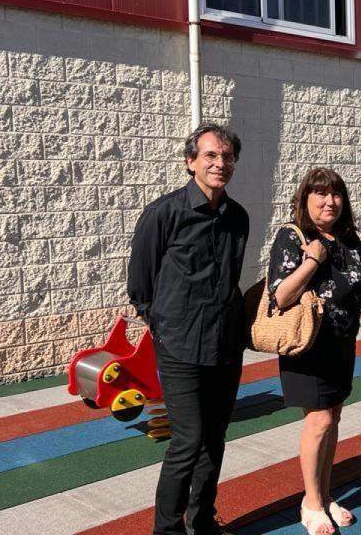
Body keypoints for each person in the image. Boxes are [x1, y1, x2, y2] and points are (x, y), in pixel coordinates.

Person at [127, 123, 249, 535]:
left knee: (214, 438)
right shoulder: (165, 213)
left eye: (227, 156)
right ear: (190, 161)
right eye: (211, 155)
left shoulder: (239, 218)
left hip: (226, 347)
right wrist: (163, 326)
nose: (220, 163)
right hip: (179, 346)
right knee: (187, 440)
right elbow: (140, 286)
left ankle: (202, 520)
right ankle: (167, 529)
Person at [267, 168, 361, 535]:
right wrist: (312, 260)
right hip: (308, 346)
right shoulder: (292, 237)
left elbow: (356, 288)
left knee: (334, 419)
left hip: (342, 345)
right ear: (305, 199)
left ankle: (325, 495)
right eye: (321, 194)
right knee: (320, 421)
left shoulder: (349, 238)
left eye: (336, 195)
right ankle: (310, 502)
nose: (330, 201)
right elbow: (280, 295)